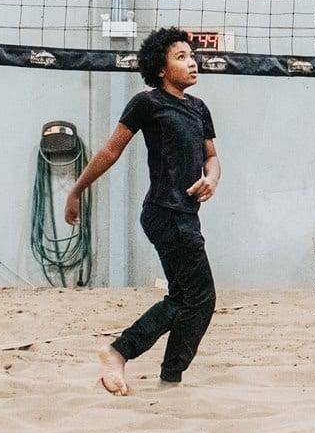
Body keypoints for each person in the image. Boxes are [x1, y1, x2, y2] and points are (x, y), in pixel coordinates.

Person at [64, 27, 222, 393]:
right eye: (180, 57)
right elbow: (110, 151)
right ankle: (123, 353)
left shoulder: (198, 108)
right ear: (161, 69)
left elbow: (212, 158)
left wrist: (212, 179)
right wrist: (77, 189)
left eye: (192, 55)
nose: (192, 62)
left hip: (186, 214)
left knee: (187, 297)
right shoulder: (147, 103)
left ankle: (165, 377)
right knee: (199, 296)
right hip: (163, 211)